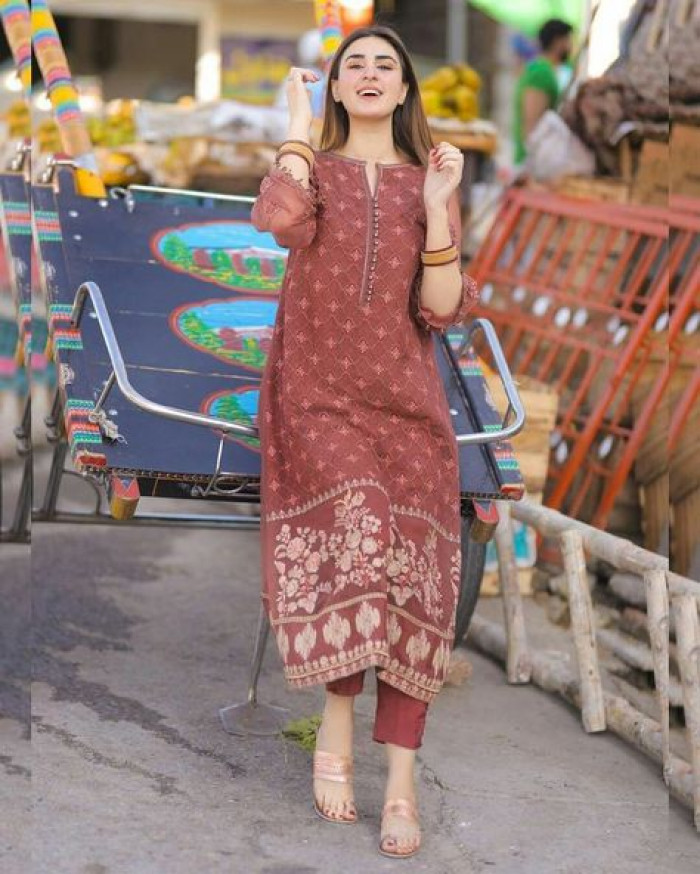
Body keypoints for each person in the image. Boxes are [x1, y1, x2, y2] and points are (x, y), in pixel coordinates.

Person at [251, 24, 479, 861]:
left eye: (388, 64)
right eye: (357, 66)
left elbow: (444, 309)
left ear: (406, 88)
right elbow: (276, 218)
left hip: (407, 405)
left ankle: (404, 781)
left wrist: (437, 208)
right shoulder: (316, 171)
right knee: (359, 521)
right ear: (339, 90)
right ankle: (335, 730)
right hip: (317, 395)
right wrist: (298, 133)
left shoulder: (429, 181)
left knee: (412, 577)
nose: (373, 74)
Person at [513, 18, 574, 165]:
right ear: (558, 42)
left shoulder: (543, 69)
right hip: (531, 165)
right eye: (569, 40)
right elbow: (531, 124)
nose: (572, 46)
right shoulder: (541, 72)